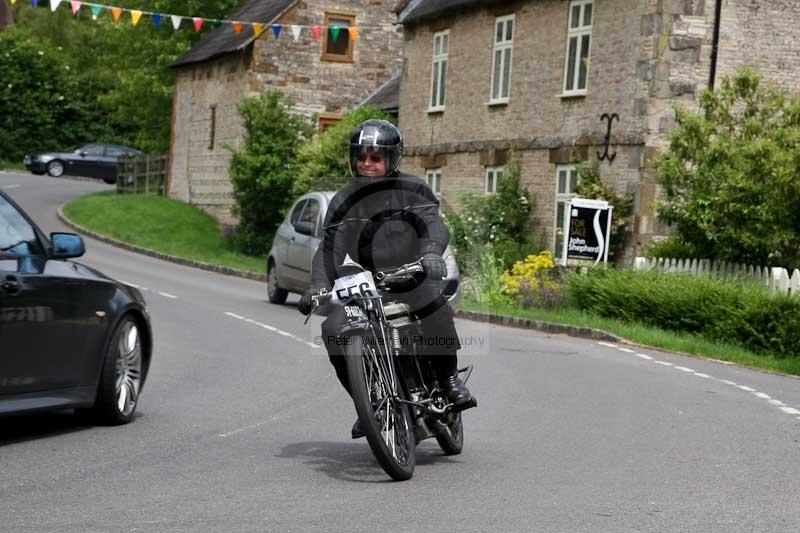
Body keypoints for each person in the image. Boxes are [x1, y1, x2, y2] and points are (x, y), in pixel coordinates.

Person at [298, 119, 474, 439]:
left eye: (375, 158)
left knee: (435, 306)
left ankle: (449, 379)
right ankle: (369, 403)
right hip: (369, 280)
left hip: (413, 272)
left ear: (391, 160)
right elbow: (331, 247)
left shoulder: (413, 189)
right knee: (333, 329)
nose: (367, 165)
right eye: (361, 157)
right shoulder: (343, 200)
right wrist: (319, 287)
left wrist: (432, 254)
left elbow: (432, 225)